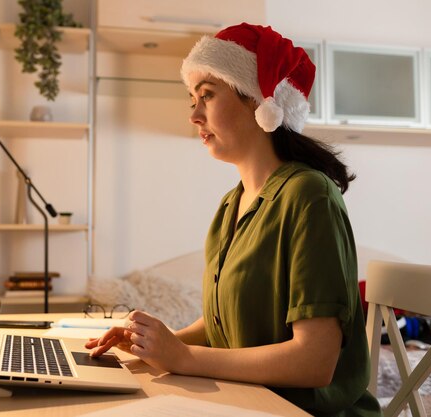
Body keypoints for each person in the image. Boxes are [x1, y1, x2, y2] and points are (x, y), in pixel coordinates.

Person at [85, 23, 382, 417]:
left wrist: (185, 358)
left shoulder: (309, 195)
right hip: (247, 402)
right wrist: (157, 342)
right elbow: (219, 324)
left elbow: (314, 360)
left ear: (259, 103)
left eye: (207, 95)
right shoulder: (231, 205)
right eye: (192, 98)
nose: (193, 114)